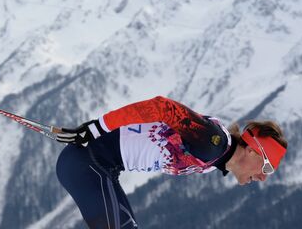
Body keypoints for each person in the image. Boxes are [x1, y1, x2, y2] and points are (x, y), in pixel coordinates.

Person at [54, 96, 288, 229]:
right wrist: (96, 128)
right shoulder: (213, 142)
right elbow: (161, 107)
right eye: (266, 167)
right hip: (87, 164)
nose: (263, 177)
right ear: (253, 151)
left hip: (98, 168)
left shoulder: (216, 156)